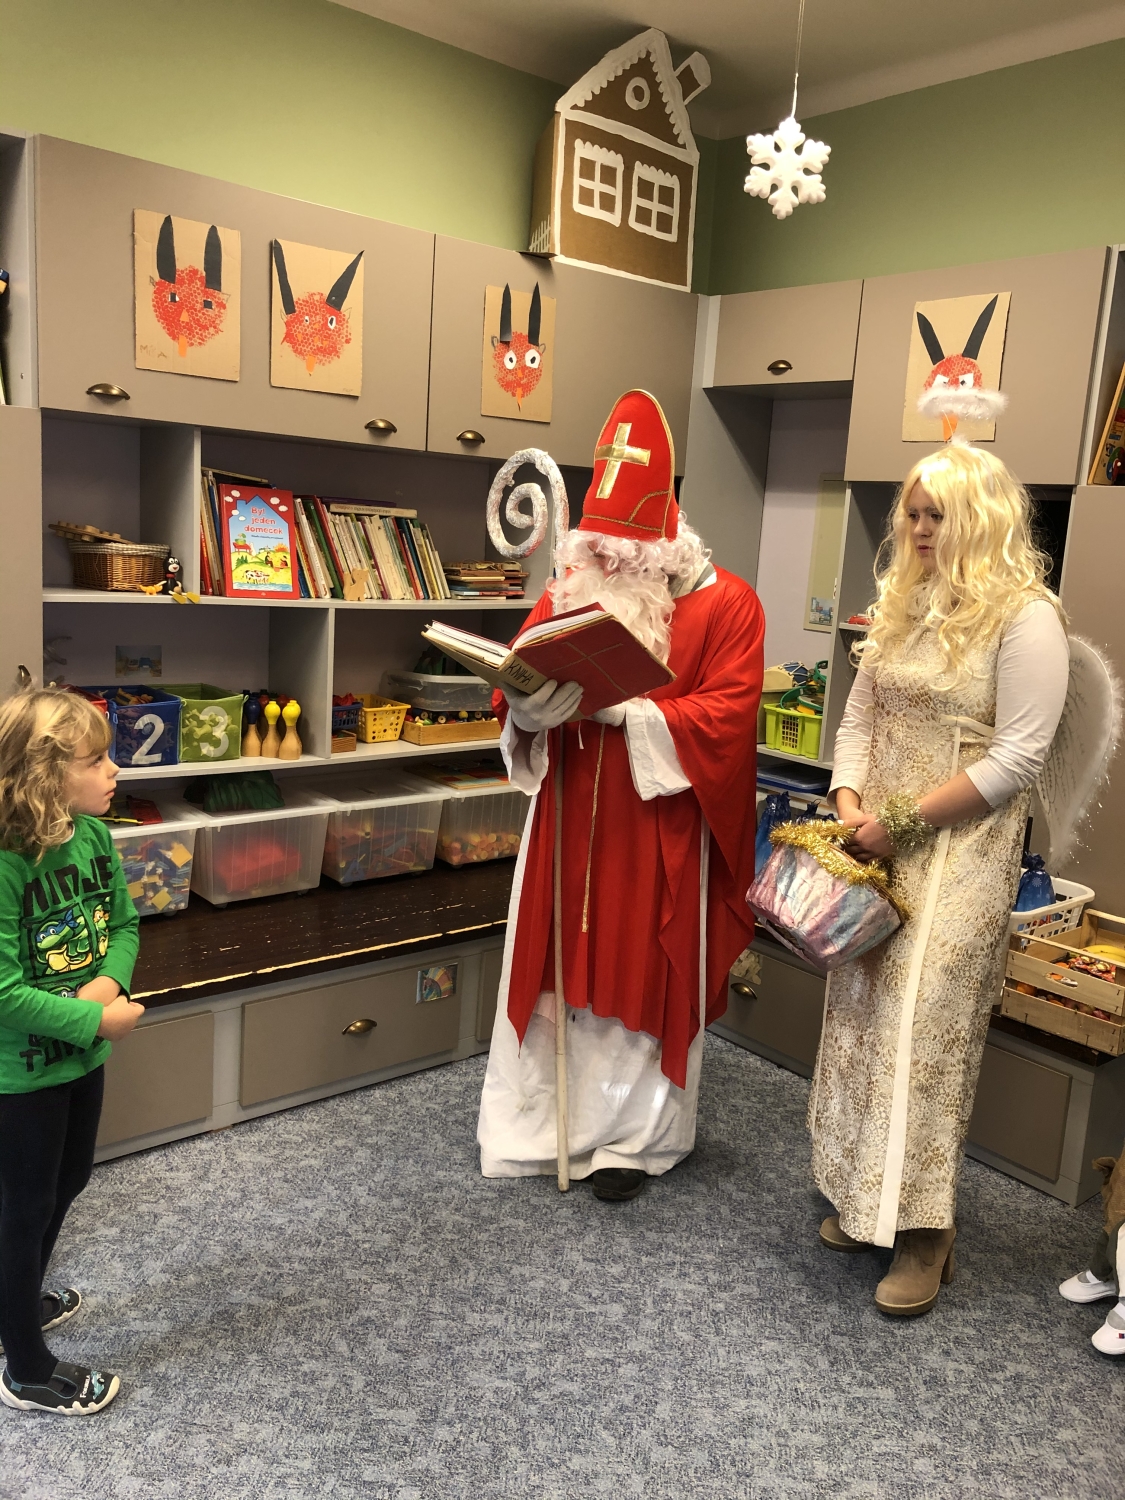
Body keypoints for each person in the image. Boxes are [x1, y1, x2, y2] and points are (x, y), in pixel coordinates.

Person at [477, 389, 764, 1199]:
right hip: (565, 816)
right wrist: (527, 708)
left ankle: (631, 1143)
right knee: (556, 972)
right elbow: (517, 672)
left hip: (656, 829)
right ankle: (540, 1128)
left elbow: (727, 717)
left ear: (664, 542)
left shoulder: (728, 603)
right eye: (597, 552)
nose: (606, 567)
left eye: (623, 555)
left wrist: (629, 714)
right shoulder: (574, 581)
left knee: (640, 969)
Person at [810, 442, 1070, 1315]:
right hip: (874, 842)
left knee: (924, 1032)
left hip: (958, 853)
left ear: (981, 520)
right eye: (912, 515)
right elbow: (857, 716)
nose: (920, 530)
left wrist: (904, 822)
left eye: (938, 516)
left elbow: (1018, 756)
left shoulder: (1026, 617)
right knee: (860, 1019)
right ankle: (865, 1201)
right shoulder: (903, 601)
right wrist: (848, 801)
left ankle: (925, 1232)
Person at [0, 689, 144, 1415]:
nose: (114, 771)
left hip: (80, 1055)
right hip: (19, 1074)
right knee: (24, 1206)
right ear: (42, 777)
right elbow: (1, 993)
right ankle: (24, 1369)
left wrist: (107, 986)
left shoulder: (92, 837)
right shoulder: (5, 864)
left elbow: (125, 924)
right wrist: (96, 1020)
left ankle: (14, 1298)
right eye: (95, 761)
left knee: (71, 1178)